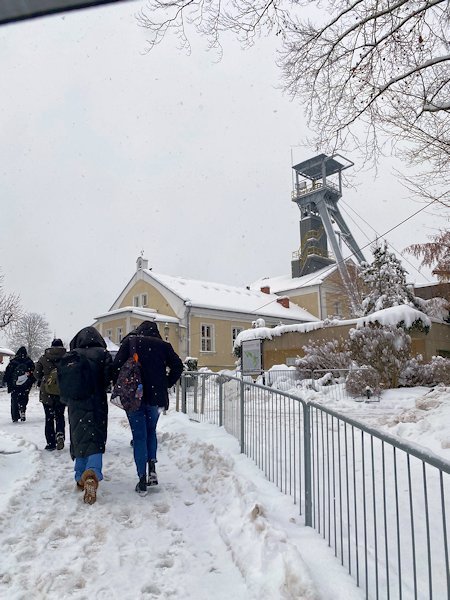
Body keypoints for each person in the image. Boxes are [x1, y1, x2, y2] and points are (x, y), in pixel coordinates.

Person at [112, 321, 183, 496]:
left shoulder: (131, 343)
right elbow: (178, 366)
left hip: (134, 396)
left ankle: (142, 478)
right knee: (151, 432)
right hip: (156, 397)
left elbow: (115, 367)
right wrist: (166, 382)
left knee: (139, 436)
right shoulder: (163, 346)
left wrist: (120, 385)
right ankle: (152, 467)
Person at [63, 327, 112, 505]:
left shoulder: (72, 355)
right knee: (95, 438)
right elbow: (107, 380)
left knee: (79, 437)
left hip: (76, 404)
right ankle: (93, 473)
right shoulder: (103, 354)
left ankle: (79, 476)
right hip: (96, 402)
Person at [34, 339, 67, 451]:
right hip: (61, 391)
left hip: (47, 392)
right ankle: (60, 433)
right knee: (60, 415)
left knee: (49, 418)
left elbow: (36, 373)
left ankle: (50, 443)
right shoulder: (67, 357)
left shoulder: (44, 358)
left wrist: (44, 378)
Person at [3, 346, 35, 423]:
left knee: (14, 400)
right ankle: (22, 408)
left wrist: (6, 381)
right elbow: (34, 373)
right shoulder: (29, 362)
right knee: (24, 398)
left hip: (14, 385)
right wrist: (31, 381)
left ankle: (15, 416)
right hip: (25, 385)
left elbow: (8, 373)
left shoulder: (13, 362)